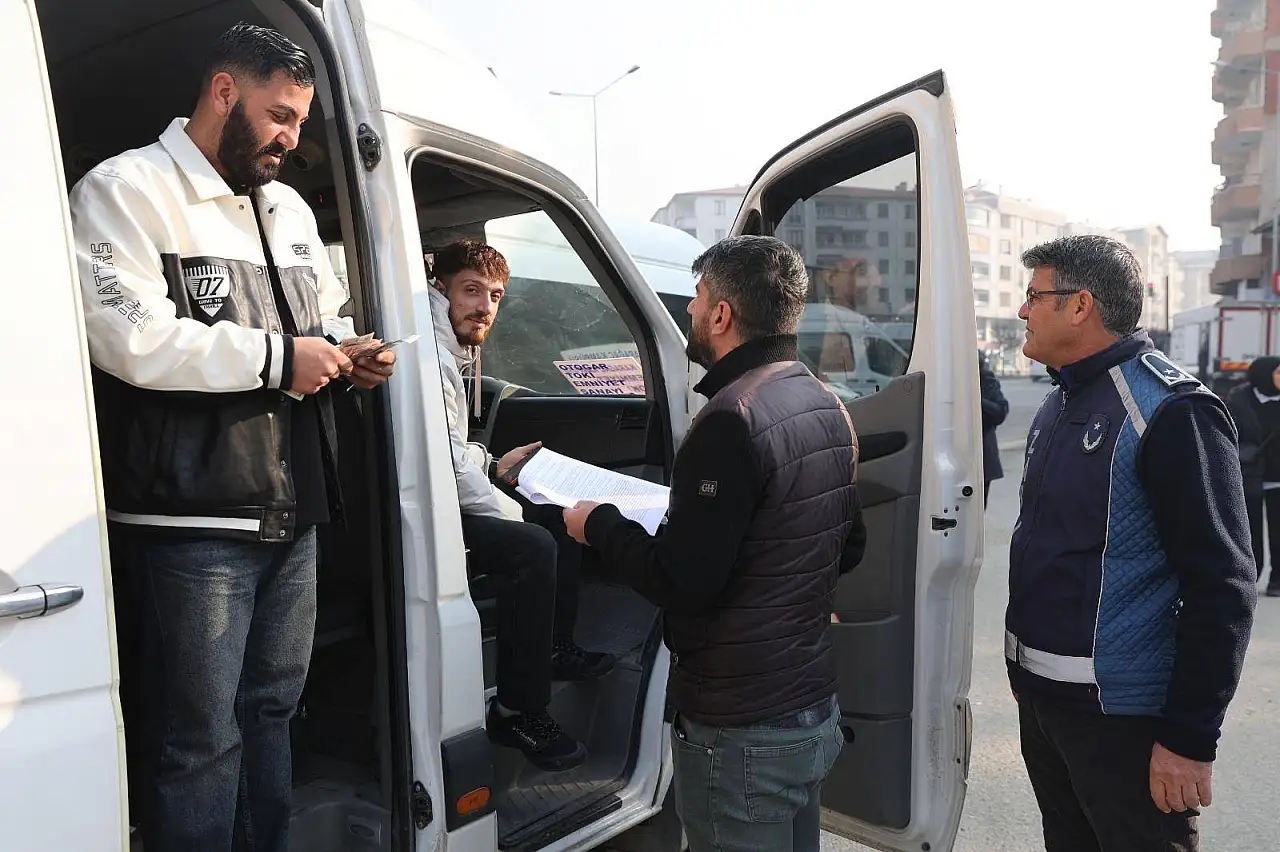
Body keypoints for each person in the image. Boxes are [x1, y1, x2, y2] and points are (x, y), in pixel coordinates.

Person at [69, 23, 397, 851]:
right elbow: (129, 337)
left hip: (297, 513)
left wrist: (350, 352)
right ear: (223, 92)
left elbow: (321, 317)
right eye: (279, 116)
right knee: (200, 739)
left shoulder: (288, 208)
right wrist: (281, 358)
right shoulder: (125, 189)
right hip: (194, 521)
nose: (291, 139)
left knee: (274, 711)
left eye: (298, 121)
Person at [562, 235, 866, 852]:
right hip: (809, 708)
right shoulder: (824, 401)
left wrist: (596, 524)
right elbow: (847, 544)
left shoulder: (731, 418)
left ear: (723, 314)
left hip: (742, 730)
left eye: (698, 299)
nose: (692, 313)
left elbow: (683, 582)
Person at [1007, 235, 1256, 851]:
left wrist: (1189, 740)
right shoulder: (1060, 399)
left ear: (1080, 305)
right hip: (1045, 703)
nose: (1022, 310)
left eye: (1034, 295)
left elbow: (1222, 587)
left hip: (1120, 717)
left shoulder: (1170, 411)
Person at [427, 239, 615, 771]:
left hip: (444, 485)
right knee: (534, 541)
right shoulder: (431, 351)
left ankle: (554, 645)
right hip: (418, 508)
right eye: (471, 290)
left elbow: (451, 451)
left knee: (561, 515)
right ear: (440, 288)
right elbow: (445, 467)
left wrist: (492, 465)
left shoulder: (454, 346)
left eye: (495, 295)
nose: (485, 305)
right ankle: (516, 712)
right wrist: (513, 508)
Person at [1225, 356, 1280, 597]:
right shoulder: (1238, 400)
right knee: (1248, 532)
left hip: (1278, 477)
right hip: (1249, 475)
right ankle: (1248, 578)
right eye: (1279, 373)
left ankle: (1277, 580)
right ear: (1264, 374)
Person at [978, 350, 1009, 505]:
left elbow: (1000, 413)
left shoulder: (988, 382)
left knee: (976, 510)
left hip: (983, 454)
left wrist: (977, 399)